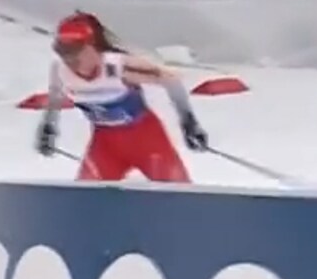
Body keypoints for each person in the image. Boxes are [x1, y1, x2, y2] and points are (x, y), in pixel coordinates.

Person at [35, 12, 206, 183]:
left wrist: (189, 122)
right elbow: (55, 94)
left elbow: (171, 80)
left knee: (177, 197)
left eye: (74, 53)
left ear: (91, 47)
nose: (69, 60)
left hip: (148, 142)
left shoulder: (116, 67)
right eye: (63, 53)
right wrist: (48, 127)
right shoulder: (60, 70)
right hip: (105, 146)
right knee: (84, 198)